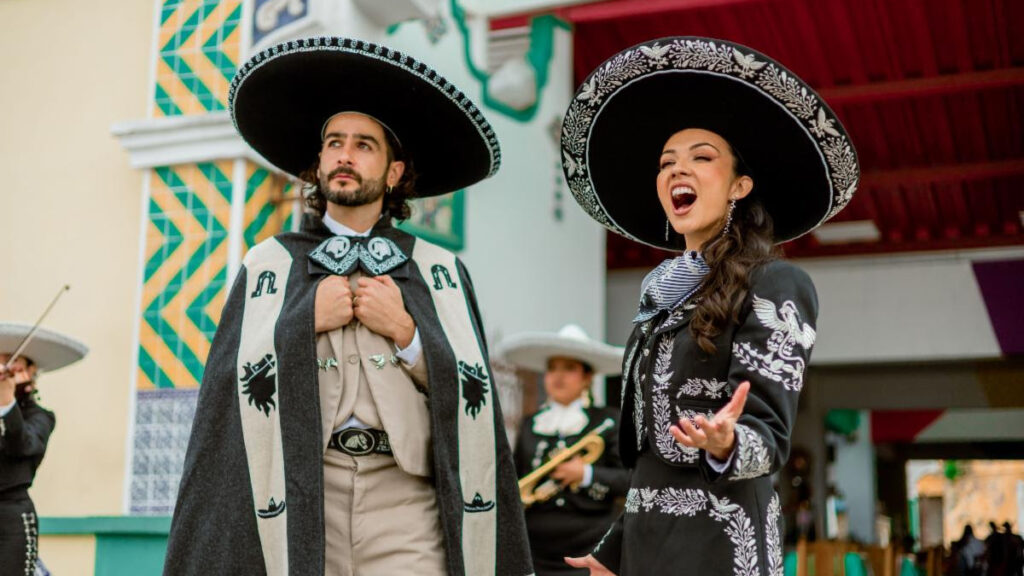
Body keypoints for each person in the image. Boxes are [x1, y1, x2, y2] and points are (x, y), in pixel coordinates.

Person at [164, 37, 531, 576]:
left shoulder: (438, 270)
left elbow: (474, 391)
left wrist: (407, 334)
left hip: (406, 501)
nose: (344, 155)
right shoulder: (270, 266)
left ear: (394, 173)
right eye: (334, 143)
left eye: (364, 145)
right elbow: (226, 391)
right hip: (303, 495)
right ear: (317, 165)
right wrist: (303, 321)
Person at [559, 36, 859, 575]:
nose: (678, 169)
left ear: (739, 185)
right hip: (646, 542)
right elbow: (650, 454)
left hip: (723, 540)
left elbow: (768, 436)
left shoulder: (778, 285)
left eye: (702, 157)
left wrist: (727, 441)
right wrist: (616, 548)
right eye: (666, 162)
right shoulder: (659, 298)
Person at [500, 325, 630, 575]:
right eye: (552, 369)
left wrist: (586, 474)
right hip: (536, 548)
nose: (558, 376)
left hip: (591, 544)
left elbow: (629, 480)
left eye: (569, 369)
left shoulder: (607, 422)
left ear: (586, 378)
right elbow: (516, 477)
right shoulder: (531, 423)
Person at [0, 323, 88, 575]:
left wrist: (7, 403)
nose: (7, 369)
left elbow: (21, 445)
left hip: (11, 523)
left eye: (15, 365)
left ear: (31, 372)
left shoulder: (41, 417)